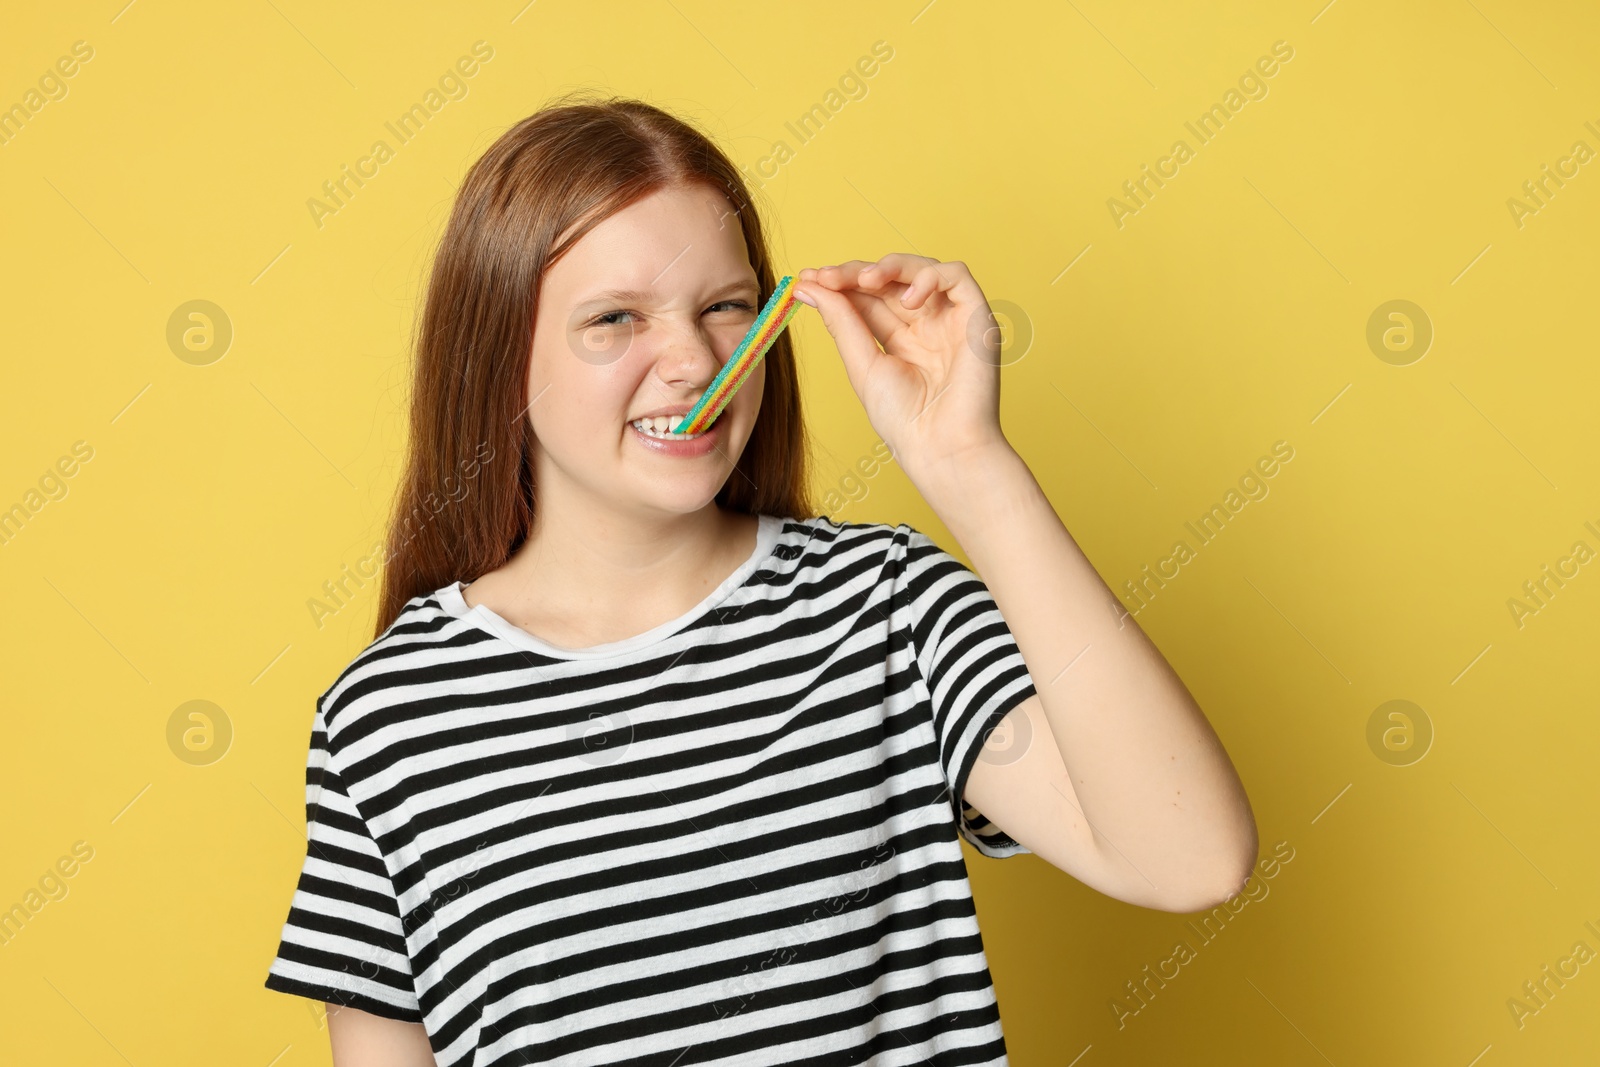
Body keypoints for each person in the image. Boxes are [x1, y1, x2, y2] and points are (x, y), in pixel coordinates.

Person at [262, 92, 1257, 1067]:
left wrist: (970, 467)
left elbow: (1191, 858)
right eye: (613, 318)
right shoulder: (386, 717)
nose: (694, 359)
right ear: (499, 356)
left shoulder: (885, 609)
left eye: (726, 307)